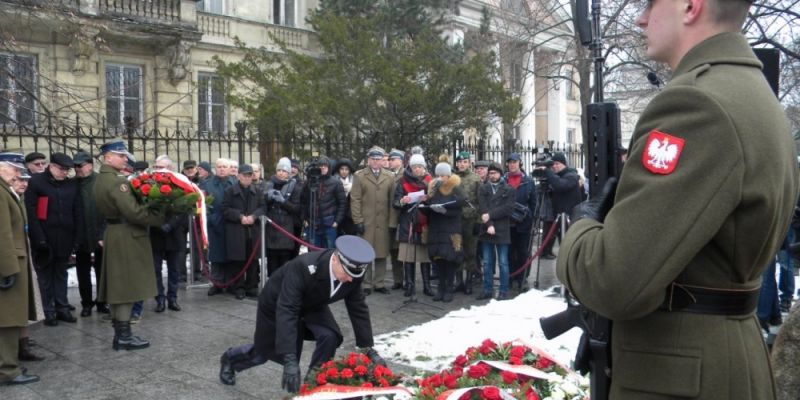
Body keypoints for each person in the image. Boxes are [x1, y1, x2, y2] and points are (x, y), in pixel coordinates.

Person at [556, 0, 798, 397]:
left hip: (680, 372)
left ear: (690, 6)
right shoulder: (749, 91)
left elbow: (614, 279)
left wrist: (581, 227)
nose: (641, 17)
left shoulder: (697, 103)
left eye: (651, 4)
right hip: (722, 355)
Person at [218, 235, 387, 393]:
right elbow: (288, 309)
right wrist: (290, 359)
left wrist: (367, 349)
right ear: (335, 259)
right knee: (263, 354)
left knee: (330, 336)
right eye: (348, 274)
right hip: (277, 304)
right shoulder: (304, 267)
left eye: (354, 276)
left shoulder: (352, 274)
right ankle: (230, 359)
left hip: (312, 304)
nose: (351, 280)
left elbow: (358, 308)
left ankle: (313, 383)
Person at [93, 139, 164, 350]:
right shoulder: (117, 182)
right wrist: (159, 214)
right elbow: (134, 212)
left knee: (119, 285)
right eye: (121, 155)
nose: (125, 159)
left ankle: (121, 334)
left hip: (116, 233)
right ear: (108, 157)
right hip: (127, 234)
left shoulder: (102, 179)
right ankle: (123, 336)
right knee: (125, 288)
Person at [25, 152, 80, 326]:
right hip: (44, 236)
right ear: (52, 166)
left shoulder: (71, 185)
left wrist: (76, 237)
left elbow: (77, 211)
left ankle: (62, 308)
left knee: (61, 273)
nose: (65, 173)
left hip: (65, 236)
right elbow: (32, 213)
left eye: (67, 170)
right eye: (62, 169)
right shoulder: (36, 182)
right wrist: (39, 238)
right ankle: (49, 311)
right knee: (45, 276)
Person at [0, 151, 41, 386]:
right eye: (15, 169)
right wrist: (7, 269)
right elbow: (2, 234)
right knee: (7, 320)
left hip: (13, 261)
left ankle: (8, 363)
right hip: (8, 265)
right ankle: (8, 370)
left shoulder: (6, 191)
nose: (18, 175)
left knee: (11, 319)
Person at [350, 147, 395, 295]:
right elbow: (355, 199)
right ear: (368, 160)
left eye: (378, 159)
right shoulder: (359, 176)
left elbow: (392, 201)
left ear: (383, 160)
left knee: (381, 253)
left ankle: (379, 283)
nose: (375, 162)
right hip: (367, 220)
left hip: (383, 220)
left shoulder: (390, 176)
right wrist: (358, 220)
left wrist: (392, 222)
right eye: (373, 159)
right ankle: (367, 284)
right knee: (366, 253)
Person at [73, 150, 109, 317]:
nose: (77, 169)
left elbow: (109, 210)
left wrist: (103, 234)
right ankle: (86, 303)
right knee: (82, 271)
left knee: (102, 270)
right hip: (80, 235)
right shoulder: (72, 184)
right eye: (75, 166)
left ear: (89, 165)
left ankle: (102, 302)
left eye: (80, 165)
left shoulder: (100, 181)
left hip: (99, 233)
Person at [222, 164, 266, 299]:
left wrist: (254, 216)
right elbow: (225, 209)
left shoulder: (257, 191)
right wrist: (240, 217)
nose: (247, 178)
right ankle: (238, 287)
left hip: (252, 231)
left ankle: (251, 286)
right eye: (244, 175)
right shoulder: (230, 191)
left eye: (249, 175)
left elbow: (263, 207)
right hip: (237, 230)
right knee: (238, 261)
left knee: (252, 260)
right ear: (238, 176)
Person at [393, 153, 434, 297]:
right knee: (409, 256)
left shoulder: (431, 182)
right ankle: (409, 285)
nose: (417, 169)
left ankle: (427, 286)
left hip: (424, 223)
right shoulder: (402, 181)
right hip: (408, 223)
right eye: (415, 167)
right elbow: (396, 202)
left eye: (420, 167)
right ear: (410, 167)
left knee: (425, 258)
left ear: (424, 167)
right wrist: (403, 201)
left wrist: (428, 199)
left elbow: (436, 202)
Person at [150, 156, 187, 312]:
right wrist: (158, 224)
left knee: (174, 269)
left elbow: (185, 208)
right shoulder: (149, 184)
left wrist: (170, 225)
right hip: (156, 233)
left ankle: (172, 298)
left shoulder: (180, 185)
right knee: (156, 269)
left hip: (174, 233)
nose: (159, 170)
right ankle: (159, 299)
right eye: (157, 167)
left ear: (170, 169)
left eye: (163, 167)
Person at [425, 161, 464, 302]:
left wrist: (445, 210)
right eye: (438, 175)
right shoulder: (433, 187)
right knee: (439, 259)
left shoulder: (456, 188)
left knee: (450, 259)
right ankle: (440, 288)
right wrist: (430, 205)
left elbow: (460, 204)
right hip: (436, 228)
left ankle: (449, 288)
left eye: (443, 175)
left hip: (451, 228)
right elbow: (428, 202)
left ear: (449, 175)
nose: (441, 178)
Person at [476, 162, 515, 300]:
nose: (492, 175)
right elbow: (483, 208)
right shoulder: (483, 188)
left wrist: (491, 216)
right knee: (487, 262)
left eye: (495, 173)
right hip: (487, 228)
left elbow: (508, 209)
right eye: (490, 173)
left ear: (500, 173)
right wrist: (489, 224)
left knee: (503, 262)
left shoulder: (509, 189)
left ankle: (503, 290)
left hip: (502, 229)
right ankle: (487, 289)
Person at [535, 152, 582, 260]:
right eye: (553, 165)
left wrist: (547, 172)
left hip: (569, 216)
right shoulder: (556, 176)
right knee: (560, 241)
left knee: (567, 244)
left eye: (557, 164)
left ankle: (569, 262)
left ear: (564, 164)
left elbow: (561, 185)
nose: (554, 166)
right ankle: (549, 254)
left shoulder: (571, 175)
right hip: (558, 214)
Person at [503, 153, 537, 292]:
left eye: (515, 162)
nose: (512, 164)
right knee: (509, 252)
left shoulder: (528, 181)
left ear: (520, 163)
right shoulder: (503, 180)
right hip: (507, 222)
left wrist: (532, 219)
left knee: (523, 252)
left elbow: (534, 202)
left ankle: (522, 278)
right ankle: (510, 277)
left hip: (524, 223)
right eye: (510, 162)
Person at [264, 157, 303, 277]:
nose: (281, 173)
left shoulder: (295, 187)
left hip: (286, 228)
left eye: (284, 171)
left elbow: (296, 208)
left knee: (285, 261)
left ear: (288, 173)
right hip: (271, 227)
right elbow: (262, 205)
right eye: (279, 170)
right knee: (272, 260)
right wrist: (268, 198)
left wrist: (283, 201)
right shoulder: (269, 184)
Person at [201, 158, 234, 296]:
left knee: (232, 254)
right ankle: (217, 283)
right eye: (219, 166)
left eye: (224, 167)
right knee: (216, 255)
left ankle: (231, 282)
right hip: (215, 224)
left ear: (229, 168)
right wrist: (211, 219)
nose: (221, 169)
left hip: (232, 225)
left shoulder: (235, 183)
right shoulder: (207, 185)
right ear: (215, 168)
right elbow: (203, 205)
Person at [300, 156, 346, 249]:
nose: (322, 168)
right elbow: (303, 201)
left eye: (325, 166)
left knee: (328, 253)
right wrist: (304, 219)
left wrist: (337, 221)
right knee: (313, 253)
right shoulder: (309, 182)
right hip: (312, 223)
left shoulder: (336, 183)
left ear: (329, 167)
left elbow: (342, 203)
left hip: (329, 223)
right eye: (320, 166)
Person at [454, 151, 480, 295]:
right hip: (455, 221)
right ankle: (459, 281)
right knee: (457, 250)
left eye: (464, 162)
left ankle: (469, 281)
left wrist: (478, 221)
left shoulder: (476, 179)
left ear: (469, 163)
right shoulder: (453, 178)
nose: (462, 164)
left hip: (470, 221)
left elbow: (480, 201)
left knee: (471, 252)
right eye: (459, 162)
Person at [386, 148, 406, 290]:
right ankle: (398, 279)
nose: (390, 162)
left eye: (393, 159)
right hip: (389, 218)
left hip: (401, 217)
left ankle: (406, 279)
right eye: (390, 160)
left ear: (400, 161)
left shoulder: (405, 175)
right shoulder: (387, 175)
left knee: (403, 250)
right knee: (394, 250)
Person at [334, 158, 356, 236]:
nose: (344, 171)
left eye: (346, 169)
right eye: (342, 169)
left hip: (350, 216)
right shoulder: (334, 181)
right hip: (337, 215)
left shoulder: (355, 181)